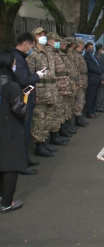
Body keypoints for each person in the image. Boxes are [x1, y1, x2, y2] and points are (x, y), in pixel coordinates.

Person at [0, 51, 30, 213]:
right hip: (9, 128)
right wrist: (25, 98)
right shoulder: (11, 86)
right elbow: (20, 110)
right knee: (11, 165)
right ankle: (7, 202)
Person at [11, 33, 44, 174]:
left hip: (26, 100)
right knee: (22, 133)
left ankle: (24, 159)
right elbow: (23, 80)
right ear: (25, 44)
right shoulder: (17, 59)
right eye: (31, 46)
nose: (31, 49)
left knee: (25, 131)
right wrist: (38, 76)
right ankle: (21, 164)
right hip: (21, 101)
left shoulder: (20, 57)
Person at [27, 27, 58, 156]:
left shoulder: (48, 52)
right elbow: (29, 77)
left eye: (44, 34)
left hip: (51, 90)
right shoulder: (32, 54)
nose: (43, 36)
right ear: (34, 37)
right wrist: (35, 94)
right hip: (40, 90)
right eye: (40, 34)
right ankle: (39, 146)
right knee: (39, 119)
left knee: (48, 118)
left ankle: (44, 143)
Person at [45, 32, 71, 146]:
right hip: (55, 86)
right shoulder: (48, 52)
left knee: (61, 110)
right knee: (55, 112)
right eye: (55, 41)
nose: (58, 43)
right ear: (49, 41)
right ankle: (54, 135)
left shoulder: (58, 52)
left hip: (63, 86)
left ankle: (60, 131)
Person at [70, 38, 89, 127]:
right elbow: (76, 70)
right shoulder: (75, 55)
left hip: (82, 79)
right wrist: (78, 81)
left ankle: (79, 117)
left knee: (80, 100)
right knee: (78, 100)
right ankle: (77, 118)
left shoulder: (78, 55)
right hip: (79, 80)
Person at [83, 43, 103, 118]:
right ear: (86, 49)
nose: (91, 49)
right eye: (90, 47)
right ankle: (89, 112)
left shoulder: (92, 56)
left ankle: (93, 110)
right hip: (91, 79)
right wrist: (99, 72)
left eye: (92, 47)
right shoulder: (86, 57)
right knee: (90, 97)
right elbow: (91, 68)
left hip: (96, 79)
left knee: (95, 96)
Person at [94, 44, 104, 112]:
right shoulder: (98, 57)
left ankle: (100, 105)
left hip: (103, 76)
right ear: (99, 49)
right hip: (100, 77)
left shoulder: (100, 56)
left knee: (101, 92)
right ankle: (99, 107)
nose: (102, 50)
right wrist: (101, 78)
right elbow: (100, 68)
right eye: (102, 49)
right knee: (100, 93)